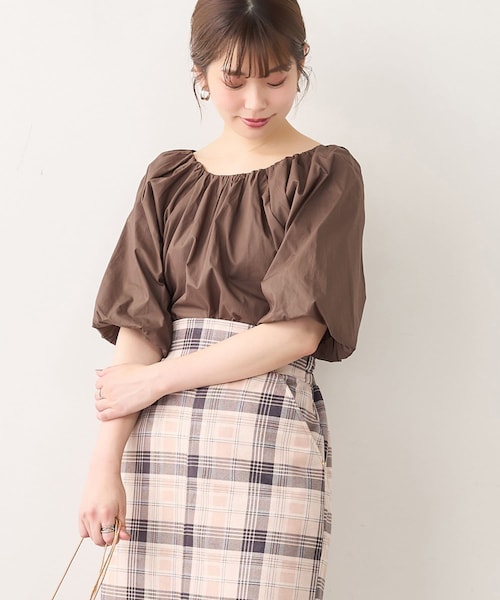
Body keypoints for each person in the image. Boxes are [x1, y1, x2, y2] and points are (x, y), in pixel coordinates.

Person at [79, 0, 365, 598]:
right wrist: (103, 468)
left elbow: (299, 331)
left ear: (302, 62)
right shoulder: (168, 179)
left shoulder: (325, 173)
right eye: (234, 82)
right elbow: (138, 329)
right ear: (201, 73)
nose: (255, 102)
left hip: (266, 432)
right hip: (161, 446)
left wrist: (156, 380)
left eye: (276, 80)